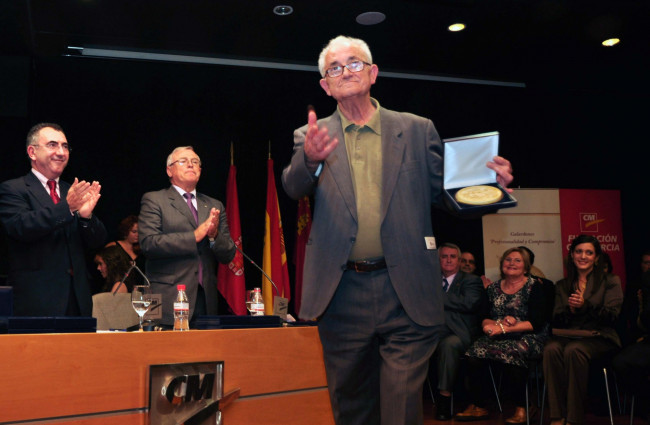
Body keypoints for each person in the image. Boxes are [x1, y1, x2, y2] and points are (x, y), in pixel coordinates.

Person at [281, 35, 514, 425]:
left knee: (400, 405)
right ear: (325, 85)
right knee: (352, 407)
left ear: (373, 73)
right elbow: (293, 186)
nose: (345, 72)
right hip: (341, 293)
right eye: (334, 68)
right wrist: (309, 159)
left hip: (405, 287)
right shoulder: (312, 135)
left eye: (354, 63)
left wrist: (492, 191)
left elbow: (449, 196)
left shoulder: (417, 130)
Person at [0, 122, 106, 316]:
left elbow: (97, 242)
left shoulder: (72, 190)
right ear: (32, 152)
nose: (61, 152)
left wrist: (85, 216)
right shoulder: (13, 189)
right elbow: (21, 227)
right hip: (36, 301)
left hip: (77, 301)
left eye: (65, 146)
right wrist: (68, 209)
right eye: (52, 145)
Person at [138, 146, 235, 327]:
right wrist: (194, 236)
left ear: (200, 170)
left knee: (206, 354)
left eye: (195, 162)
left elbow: (228, 254)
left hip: (205, 299)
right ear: (169, 170)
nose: (190, 165)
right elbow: (148, 244)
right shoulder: (154, 200)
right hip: (165, 297)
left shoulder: (214, 205)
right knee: (164, 353)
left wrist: (214, 235)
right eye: (183, 161)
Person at [456, 247, 548, 424]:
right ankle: (478, 405)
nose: (511, 263)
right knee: (473, 352)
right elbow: (483, 316)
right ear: (502, 265)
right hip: (497, 334)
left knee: (512, 352)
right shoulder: (492, 288)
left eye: (517, 260)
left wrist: (506, 329)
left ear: (526, 268)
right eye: (508, 260)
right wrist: (488, 327)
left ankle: (524, 407)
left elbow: (536, 321)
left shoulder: (534, 287)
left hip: (528, 336)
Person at [542, 235, 624, 425]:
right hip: (570, 334)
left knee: (574, 350)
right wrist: (571, 310)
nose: (583, 256)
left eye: (589, 252)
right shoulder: (563, 285)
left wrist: (584, 306)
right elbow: (556, 318)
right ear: (572, 255)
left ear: (596, 258)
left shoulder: (611, 281)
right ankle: (557, 415)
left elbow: (612, 316)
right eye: (579, 251)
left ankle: (574, 417)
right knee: (551, 349)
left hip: (600, 337)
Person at [430, 243, 486, 420]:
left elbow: (468, 304)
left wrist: (434, 296)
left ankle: (444, 402)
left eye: (452, 256)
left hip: (459, 334)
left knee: (449, 345)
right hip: (430, 331)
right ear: (437, 260)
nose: (448, 260)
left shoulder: (471, 280)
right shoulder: (429, 280)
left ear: (459, 260)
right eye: (444, 256)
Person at [612, 269, 650, 423]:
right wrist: (642, 307)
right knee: (622, 362)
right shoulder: (647, 277)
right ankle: (645, 402)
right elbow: (644, 322)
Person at [105, 214, 146, 285]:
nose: (137, 234)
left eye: (139, 232)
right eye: (134, 232)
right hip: (119, 286)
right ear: (126, 231)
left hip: (140, 287)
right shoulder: (114, 246)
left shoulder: (143, 248)